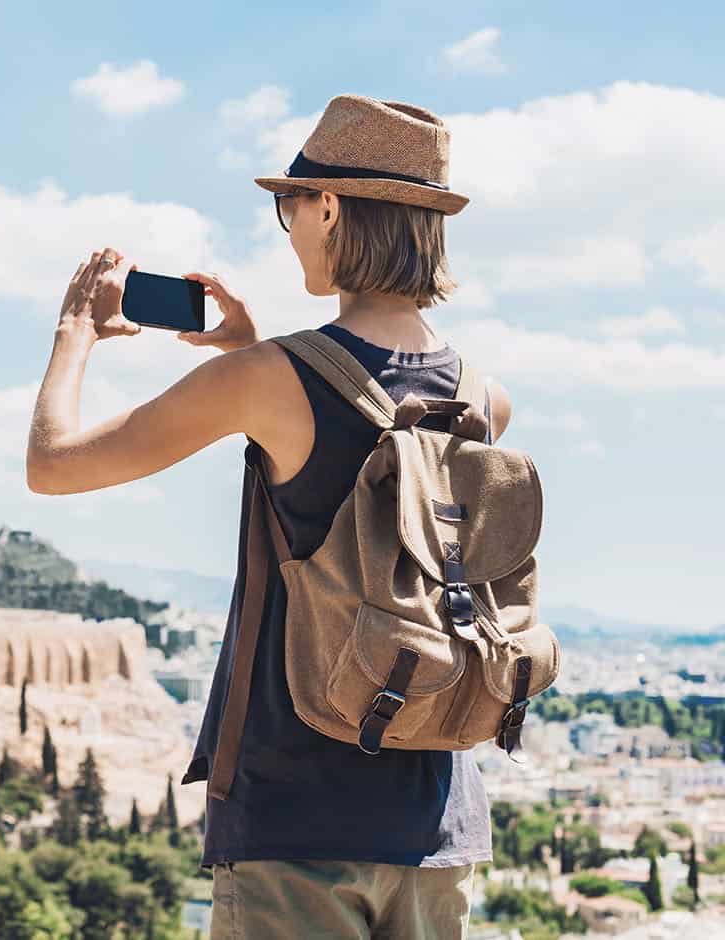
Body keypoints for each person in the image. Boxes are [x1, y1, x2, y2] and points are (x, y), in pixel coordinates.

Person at [26, 95, 509, 938]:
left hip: (298, 817)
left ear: (328, 206)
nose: (289, 228)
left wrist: (76, 332)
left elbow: (53, 465)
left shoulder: (267, 379)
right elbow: (369, 406)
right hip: (436, 820)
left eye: (290, 206)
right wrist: (255, 352)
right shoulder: (483, 395)